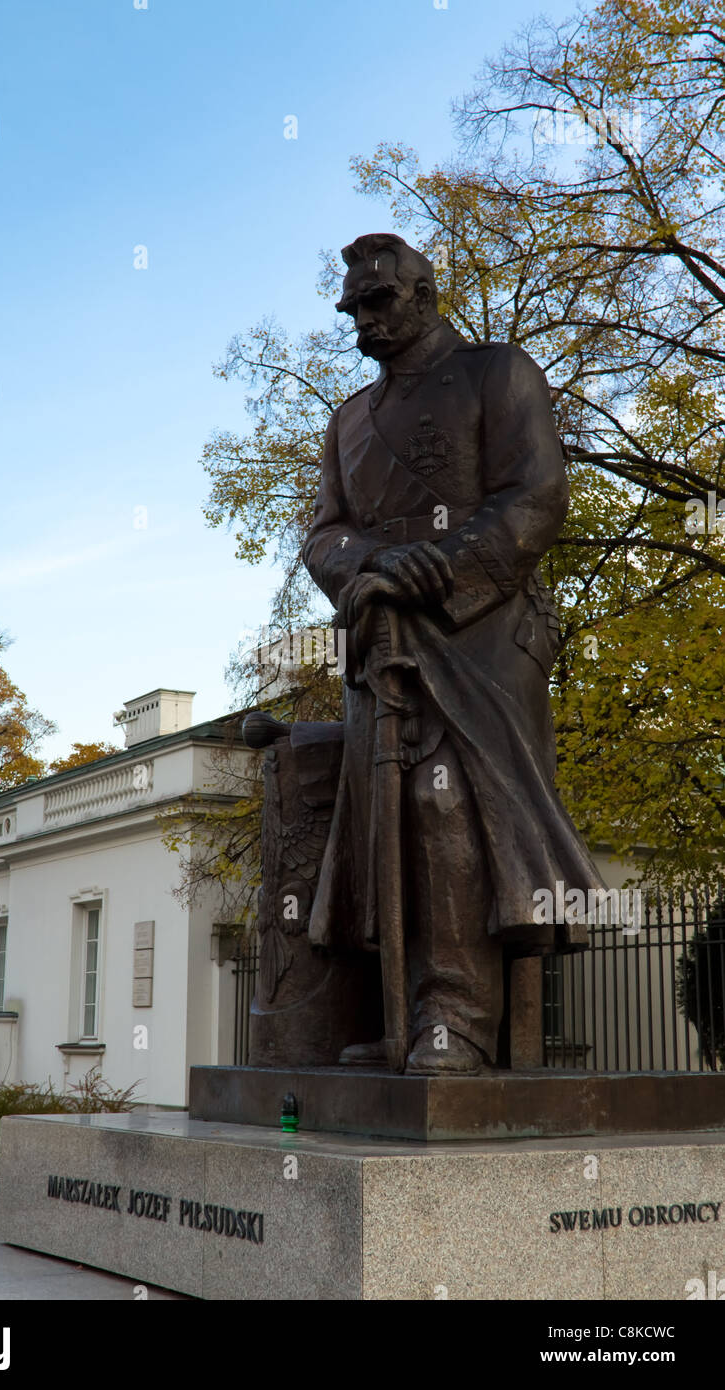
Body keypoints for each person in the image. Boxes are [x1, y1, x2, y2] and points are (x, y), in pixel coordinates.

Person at [302, 232, 604, 1074]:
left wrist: (433, 567)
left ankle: (460, 1015)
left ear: (426, 291)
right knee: (383, 812)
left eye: (380, 301)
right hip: (381, 635)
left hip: (479, 629)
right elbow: (323, 532)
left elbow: (536, 496)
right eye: (353, 308)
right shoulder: (348, 421)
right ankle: (401, 1012)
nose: (363, 319)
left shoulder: (497, 373)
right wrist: (366, 571)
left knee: (449, 804)